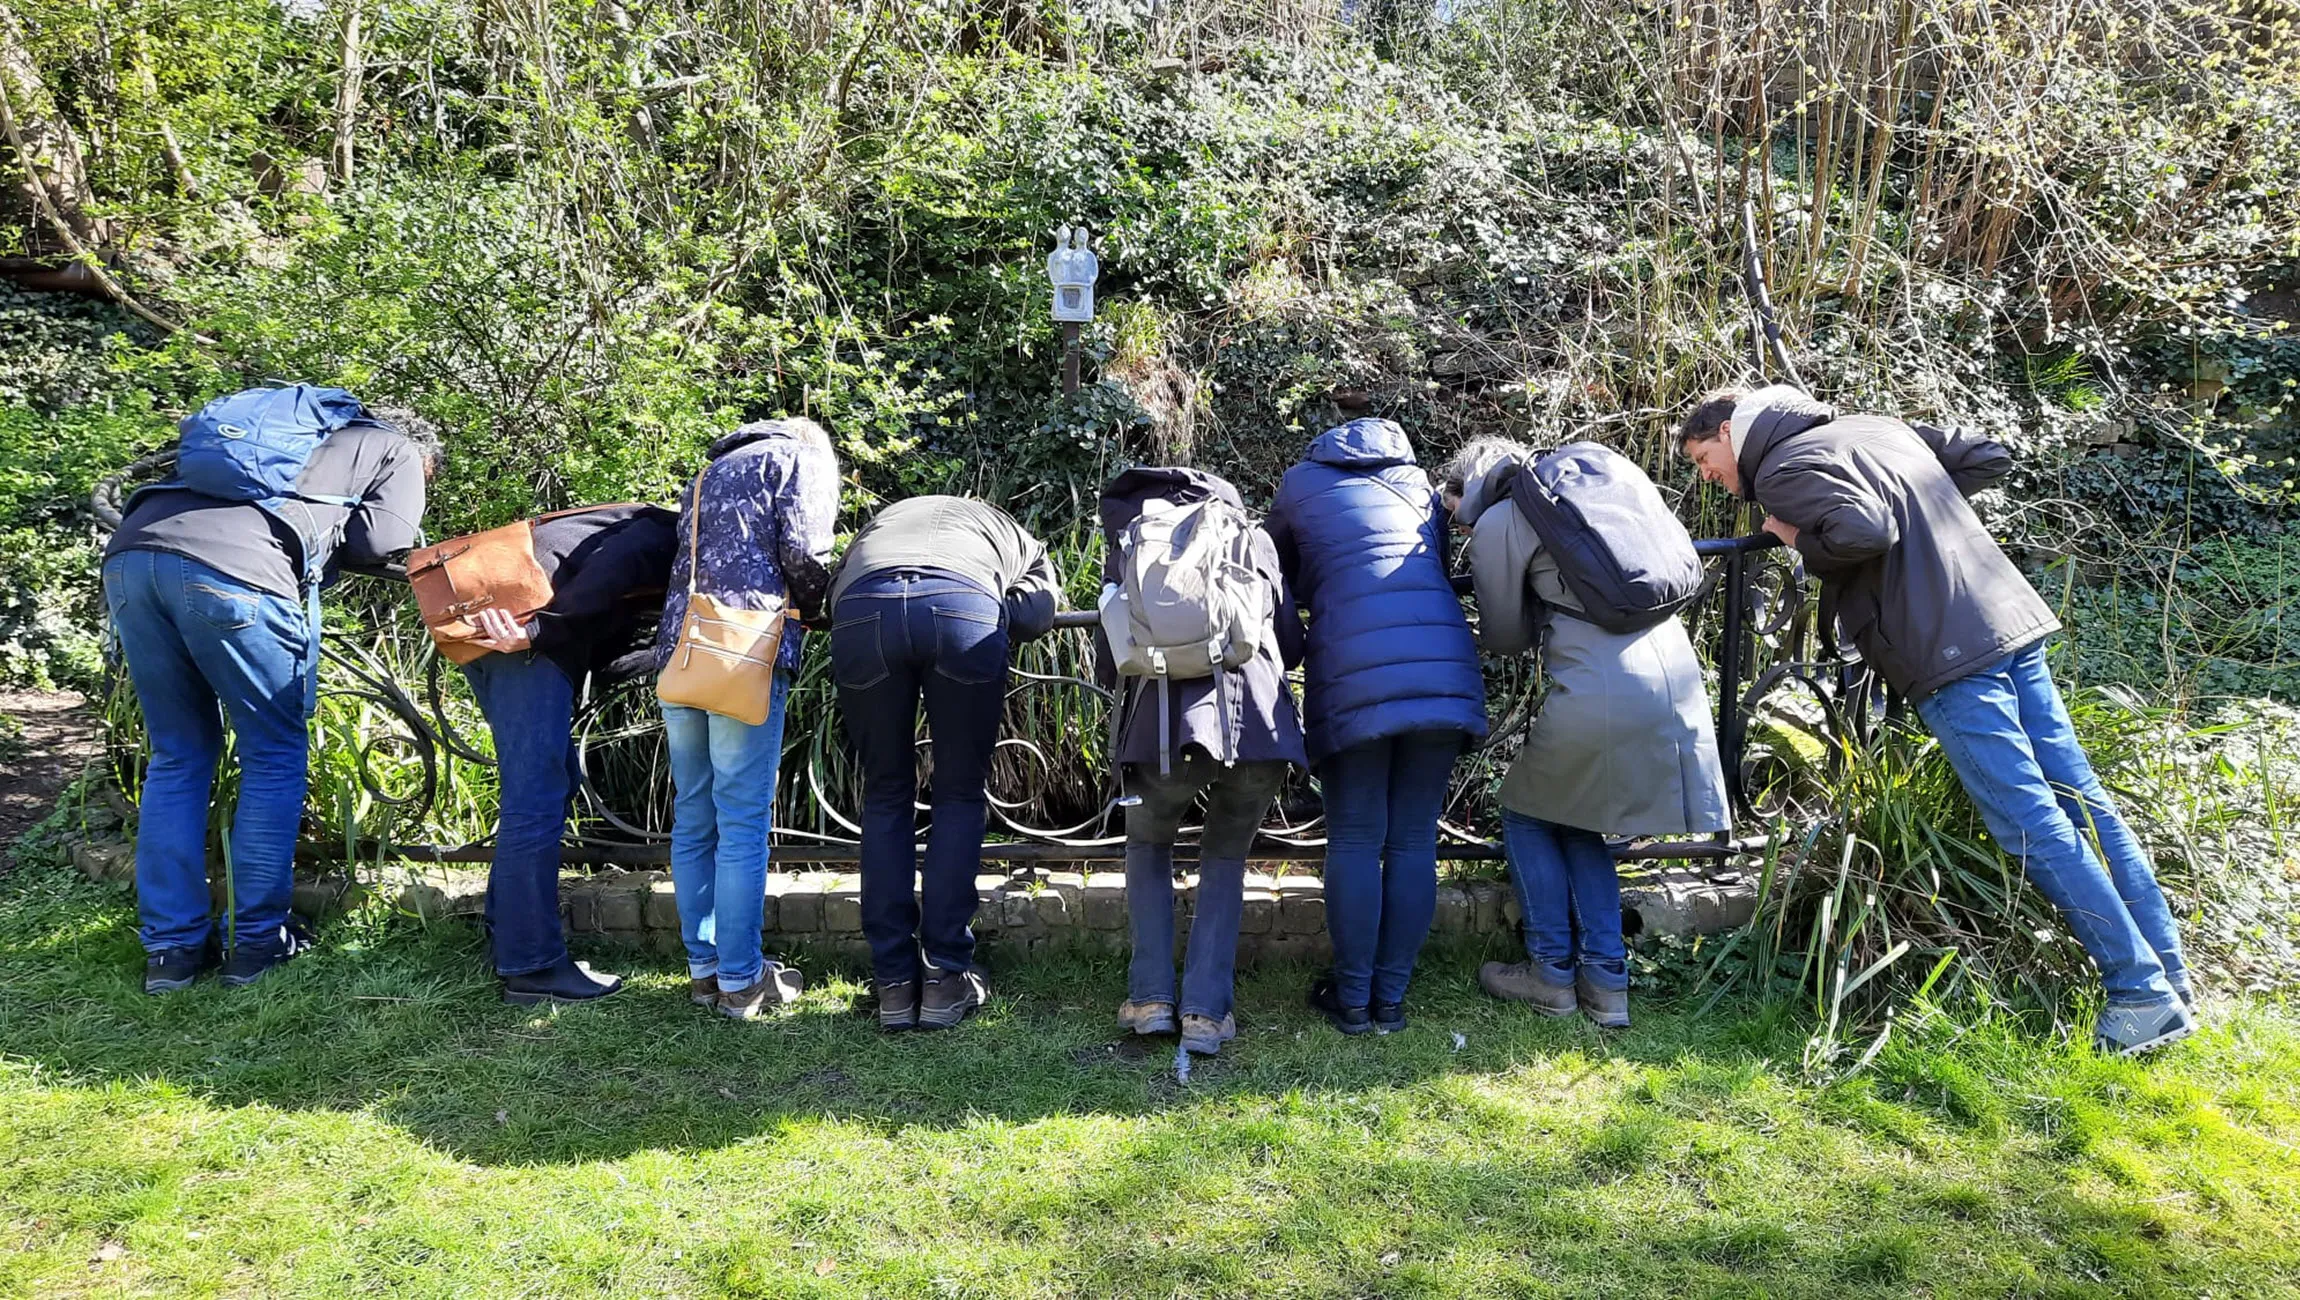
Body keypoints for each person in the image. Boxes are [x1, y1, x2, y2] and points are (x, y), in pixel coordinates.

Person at [1679, 384, 2195, 1055]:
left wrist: (1797, 537)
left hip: (1946, 652)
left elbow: (1865, 531)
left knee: (2029, 823)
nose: (1708, 476)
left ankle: (2140, 994)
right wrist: (1926, 519)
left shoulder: (1781, 469)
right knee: (2082, 802)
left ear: (1728, 431)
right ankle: (2169, 980)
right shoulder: (1873, 425)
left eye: (1703, 458)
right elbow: (1986, 455)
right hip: (2006, 618)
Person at [104, 396, 436, 994]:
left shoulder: (286, 432)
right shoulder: (395, 447)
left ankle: (171, 952)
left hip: (134, 553)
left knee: (178, 755)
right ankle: (256, 942)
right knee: (273, 754)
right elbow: (381, 544)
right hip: (235, 572)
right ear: (425, 456)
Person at [1442, 437, 1730, 1029]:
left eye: (1456, 513)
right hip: (1674, 668)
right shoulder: (1588, 489)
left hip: (1601, 684)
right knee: (1575, 821)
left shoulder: (1502, 519)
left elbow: (1504, 637)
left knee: (1524, 814)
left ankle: (1550, 974)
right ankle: (1605, 981)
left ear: (1469, 487)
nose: (1460, 526)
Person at [1265, 414, 1486, 1035]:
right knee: (1413, 839)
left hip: (1353, 669)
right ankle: (1391, 1000)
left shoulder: (1300, 484)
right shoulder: (1419, 485)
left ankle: (1354, 999)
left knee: (1357, 838)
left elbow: (1276, 569)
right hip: (1440, 664)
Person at [1096, 466, 1308, 1058]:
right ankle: (1206, 1014)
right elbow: (1289, 642)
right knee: (1225, 855)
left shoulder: (1131, 543)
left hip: (1160, 727)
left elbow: (1112, 654)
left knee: (1148, 846)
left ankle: (1149, 1001)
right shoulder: (1251, 538)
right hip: (1253, 722)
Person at [827, 495, 1061, 1031]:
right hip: (962, 606)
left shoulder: (879, 525)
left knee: (885, 793)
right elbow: (1036, 613)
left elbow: (832, 592)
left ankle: (893, 982)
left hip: (865, 610)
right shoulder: (1015, 537)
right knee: (958, 794)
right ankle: (944, 976)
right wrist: (987, 612)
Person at [654, 419, 839, 1020]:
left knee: (694, 816)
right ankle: (741, 979)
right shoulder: (798, 460)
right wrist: (821, 608)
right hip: (744, 652)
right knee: (741, 821)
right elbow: (805, 554)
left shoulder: (708, 472)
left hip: (682, 653)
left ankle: (705, 970)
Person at [460, 503, 679, 1005]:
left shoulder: (626, 529)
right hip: (522, 639)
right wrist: (538, 630)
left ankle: (509, 930)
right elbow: (614, 567)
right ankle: (533, 967)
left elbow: (609, 651)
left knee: (553, 781)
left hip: (501, 634)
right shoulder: (664, 533)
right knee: (536, 798)